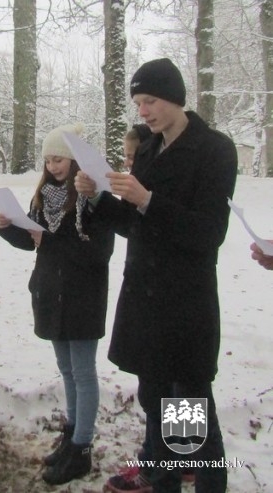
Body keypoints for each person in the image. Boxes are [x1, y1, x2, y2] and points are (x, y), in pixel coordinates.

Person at [74, 58, 237, 493]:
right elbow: (133, 224)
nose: (142, 111)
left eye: (150, 101)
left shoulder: (214, 149)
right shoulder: (148, 148)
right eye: (137, 103)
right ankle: (162, 485)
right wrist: (97, 200)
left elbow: (209, 233)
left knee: (191, 424)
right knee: (156, 406)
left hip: (184, 305)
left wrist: (147, 199)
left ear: (176, 98)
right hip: (144, 302)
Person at [0, 123, 115, 485]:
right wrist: (6, 226)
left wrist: (51, 241)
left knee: (83, 371)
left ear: (75, 160)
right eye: (48, 160)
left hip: (82, 295)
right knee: (66, 369)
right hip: (49, 292)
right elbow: (33, 242)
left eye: (59, 159)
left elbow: (100, 252)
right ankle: (71, 435)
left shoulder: (93, 198)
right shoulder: (44, 195)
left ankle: (81, 448)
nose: (53, 166)